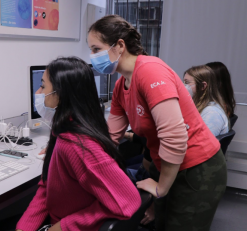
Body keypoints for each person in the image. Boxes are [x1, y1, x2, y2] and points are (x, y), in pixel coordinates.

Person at [88, 15, 227, 231]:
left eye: (96, 49)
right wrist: (69, 146)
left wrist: (161, 188)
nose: (93, 57)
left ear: (120, 46)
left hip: (197, 169)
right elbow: (110, 136)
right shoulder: (120, 87)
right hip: (167, 166)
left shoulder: (150, 71)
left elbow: (174, 136)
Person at [14, 57, 141, 231]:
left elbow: (129, 199)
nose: (38, 92)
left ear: (59, 94)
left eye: (43, 86)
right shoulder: (66, 128)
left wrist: (62, 227)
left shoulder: (75, 144)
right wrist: (25, 227)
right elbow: (47, 184)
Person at [184, 65, 229, 136]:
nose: (183, 86)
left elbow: (201, 143)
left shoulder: (212, 113)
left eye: (187, 82)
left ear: (203, 86)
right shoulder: (199, 106)